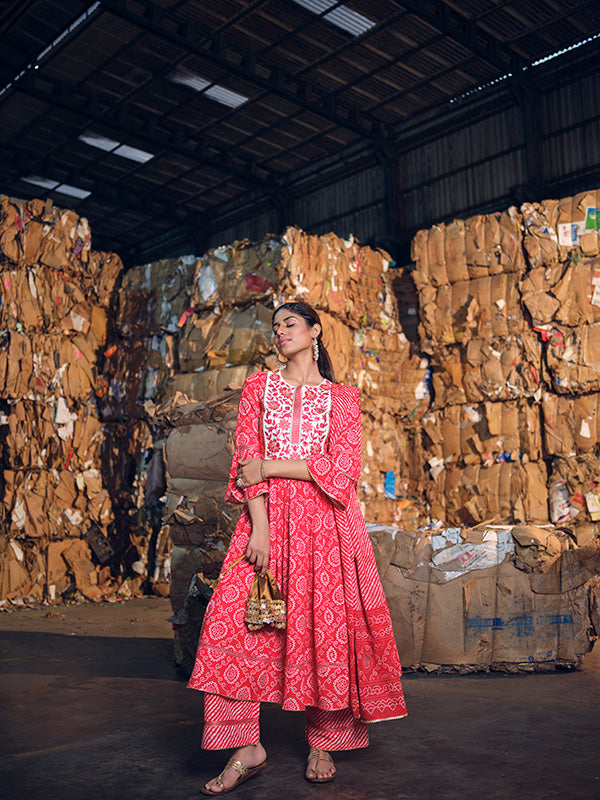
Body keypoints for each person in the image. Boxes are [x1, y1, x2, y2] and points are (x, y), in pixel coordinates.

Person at [188, 301, 407, 795]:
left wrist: (272, 466)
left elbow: (342, 472)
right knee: (230, 627)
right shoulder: (259, 388)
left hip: (327, 525)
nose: (280, 332)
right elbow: (246, 461)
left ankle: (324, 740)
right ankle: (246, 747)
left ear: (315, 331)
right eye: (275, 326)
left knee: (323, 628)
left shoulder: (343, 399)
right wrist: (259, 528)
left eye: (290, 323)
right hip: (267, 522)